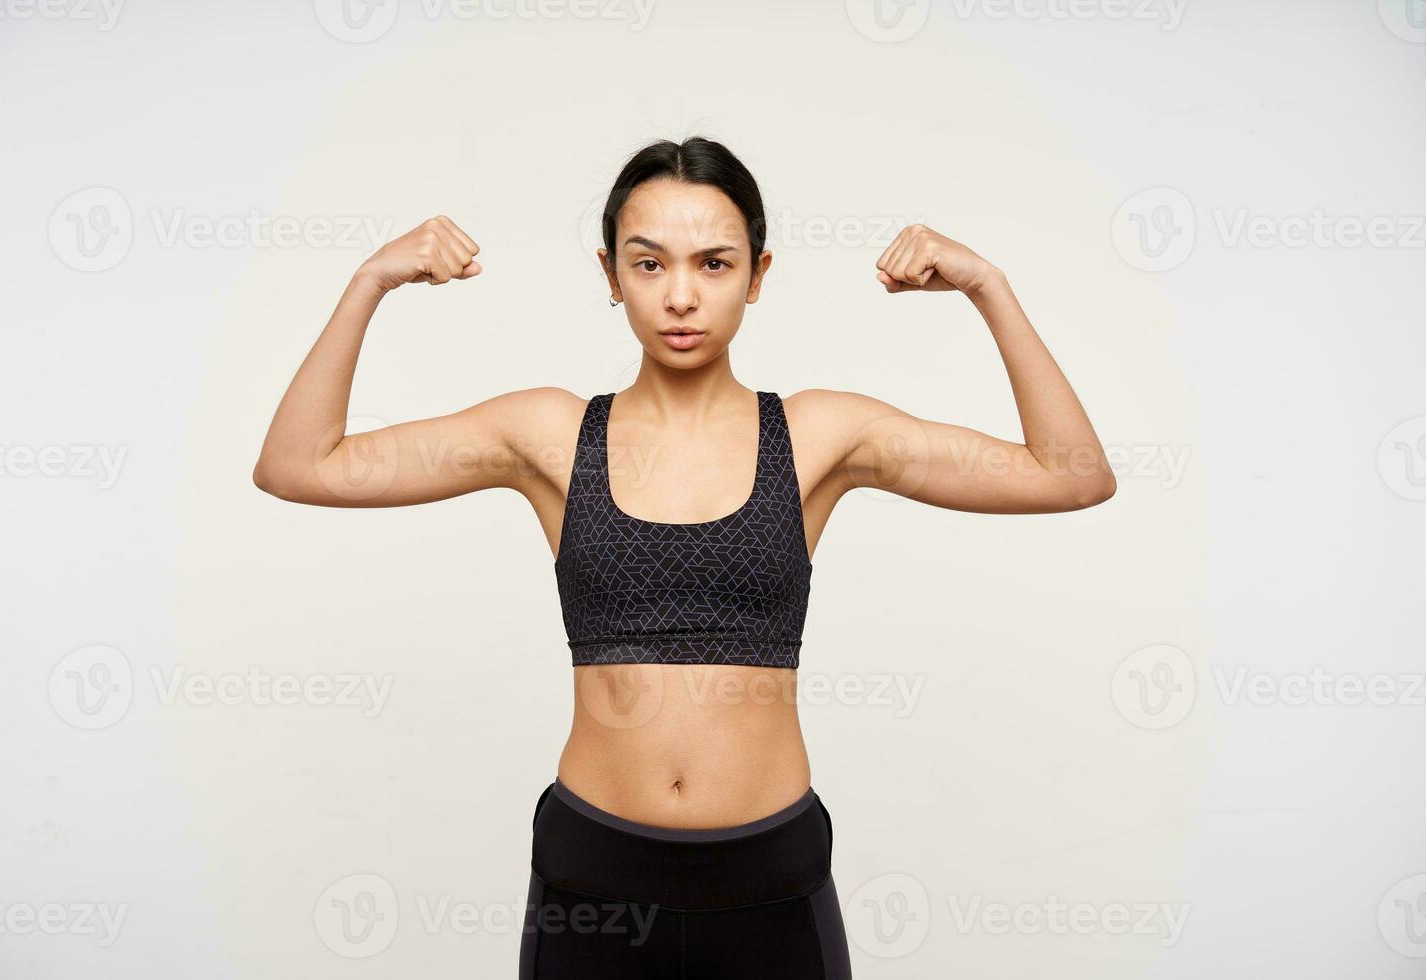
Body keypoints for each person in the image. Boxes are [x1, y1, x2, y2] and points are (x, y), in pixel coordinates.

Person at [252, 135, 1116, 979]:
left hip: (769, 880)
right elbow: (298, 465)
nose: (680, 297)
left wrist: (988, 288)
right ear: (610, 275)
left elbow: (1070, 476)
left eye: (713, 263)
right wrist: (368, 282)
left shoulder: (817, 436)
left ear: (758, 275)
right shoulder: (551, 435)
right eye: (649, 263)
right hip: (594, 876)